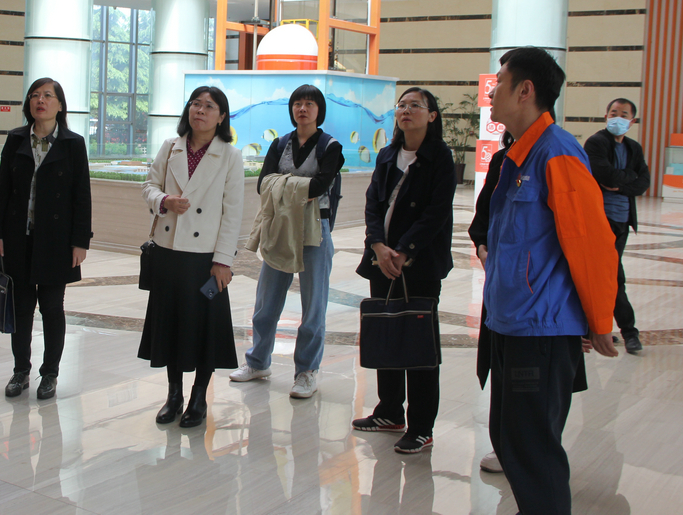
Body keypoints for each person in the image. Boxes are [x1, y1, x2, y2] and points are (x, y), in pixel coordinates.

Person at [484, 46, 619, 515]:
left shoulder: (557, 153)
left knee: (534, 452)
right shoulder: (519, 155)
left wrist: (599, 320)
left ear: (525, 90)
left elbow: (592, 244)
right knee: (510, 440)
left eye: (499, 83)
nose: (491, 92)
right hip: (511, 323)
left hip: (539, 331)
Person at [352, 87, 456, 454]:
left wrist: (404, 251)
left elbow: (436, 213)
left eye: (415, 105)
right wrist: (378, 246)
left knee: (419, 344)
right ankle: (389, 412)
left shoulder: (440, 157)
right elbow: (372, 204)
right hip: (383, 261)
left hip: (420, 263)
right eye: (402, 105)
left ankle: (422, 426)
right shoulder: (387, 154)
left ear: (432, 115)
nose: (406, 110)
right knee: (387, 335)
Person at [140, 86, 245, 428]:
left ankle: (199, 397)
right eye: (195, 104)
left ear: (221, 116)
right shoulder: (170, 147)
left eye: (209, 106)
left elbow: (233, 214)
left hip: (205, 260)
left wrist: (223, 261)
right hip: (169, 253)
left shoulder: (230, 156)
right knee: (170, 325)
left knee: (204, 329)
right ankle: (174, 395)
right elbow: (148, 186)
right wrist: (164, 201)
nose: (200, 110)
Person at [230, 84, 344, 398]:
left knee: (313, 306)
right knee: (266, 302)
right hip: (280, 226)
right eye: (297, 103)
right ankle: (257, 362)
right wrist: (300, 186)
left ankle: (307, 371)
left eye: (309, 104)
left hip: (315, 229)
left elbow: (320, 186)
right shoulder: (280, 144)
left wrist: (284, 184)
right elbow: (262, 185)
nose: (302, 109)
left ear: (319, 110)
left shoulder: (330, 146)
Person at [0, 78, 92, 401]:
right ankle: (21, 370)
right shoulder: (16, 139)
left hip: (56, 241)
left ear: (60, 105)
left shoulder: (73, 144)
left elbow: (82, 196)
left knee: (51, 307)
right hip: (18, 238)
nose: (40, 100)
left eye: (48, 95)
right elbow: (3, 189)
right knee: (20, 309)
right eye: (35, 95)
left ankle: (50, 373)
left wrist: (80, 241)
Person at [583, 98, 650, 354]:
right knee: (611, 275)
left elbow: (644, 182)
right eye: (613, 113)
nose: (617, 118)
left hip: (622, 221)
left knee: (609, 275)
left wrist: (621, 185)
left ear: (632, 121)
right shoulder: (597, 142)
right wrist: (628, 178)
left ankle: (597, 329)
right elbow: (604, 174)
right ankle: (628, 332)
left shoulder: (633, 148)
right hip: (600, 220)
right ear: (606, 116)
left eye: (623, 114)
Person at [467, 132, 513, 474]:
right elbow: (483, 215)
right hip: (501, 281)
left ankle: (526, 450)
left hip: (538, 291)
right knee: (501, 362)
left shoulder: (556, 155)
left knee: (529, 375)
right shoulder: (502, 160)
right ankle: (505, 444)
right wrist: (482, 245)